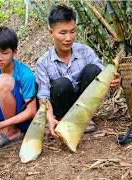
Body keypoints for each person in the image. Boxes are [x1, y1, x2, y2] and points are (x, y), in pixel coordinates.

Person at [36, 5, 121, 139]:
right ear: (51, 33)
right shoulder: (43, 62)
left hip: (85, 106)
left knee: (93, 69)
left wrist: (113, 78)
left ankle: (84, 117)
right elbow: (43, 96)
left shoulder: (85, 51)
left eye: (73, 31)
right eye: (63, 33)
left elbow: (104, 73)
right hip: (60, 106)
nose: (69, 38)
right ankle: (62, 119)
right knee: (62, 84)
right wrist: (49, 117)